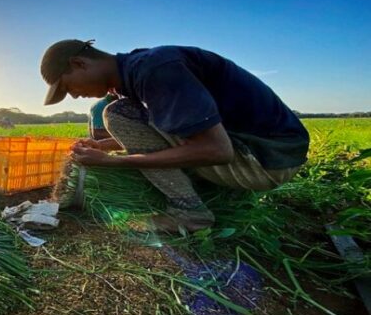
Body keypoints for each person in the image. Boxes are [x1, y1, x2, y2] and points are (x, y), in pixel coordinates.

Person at [40, 39, 309, 232]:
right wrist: (104, 146)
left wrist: (115, 161)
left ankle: (190, 212)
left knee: (119, 113)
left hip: (265, 160)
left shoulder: (155, 69)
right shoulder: (137, 70)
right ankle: (207, 193)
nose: (74, 95)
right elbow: (167, 130)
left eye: (68, 87)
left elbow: (218, 150)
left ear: (79, 63)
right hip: (269, 151)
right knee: (124, 112)